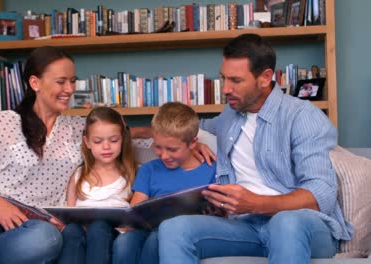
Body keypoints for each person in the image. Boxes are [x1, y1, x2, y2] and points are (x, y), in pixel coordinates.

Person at [0, 46, 147, 264]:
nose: (70, 89)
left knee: (46, 241)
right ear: (35, 83)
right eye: (61, 81)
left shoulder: (76, 128)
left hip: (36, 224)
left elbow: (115, 132)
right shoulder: (2, 123)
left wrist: (160, 133)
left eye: (73, 81)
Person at [158, 33, 353, 264]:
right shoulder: (229, 115)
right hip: (245, 226)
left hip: (303, 226)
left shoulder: (302, 116)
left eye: (236, 80)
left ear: (265, 77)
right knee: (174, 228)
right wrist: (192, 141)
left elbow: (321, 194)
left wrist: (256, 203)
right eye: (223, 79)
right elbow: (194, 128)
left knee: (285, 222)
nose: (226, 89)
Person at [113, 102, 217, 264]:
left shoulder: (211, 170)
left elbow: (218, 214)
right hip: (147, 228)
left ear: (193, 143)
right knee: (124, 242)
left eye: (172, 149)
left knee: (156, 240)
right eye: (158, 147)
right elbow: (135, 212)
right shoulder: (149, 170)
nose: (164, 156)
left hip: (181, 231)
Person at [60, 106, 138, 264]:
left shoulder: (132, 174)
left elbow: (138, 217)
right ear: (87, 142)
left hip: (112, 235)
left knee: (98, 227)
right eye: (98, 141)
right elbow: (69, 213)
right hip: (82, 234)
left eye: (114, 140)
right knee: (72, 230)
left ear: (123, 139)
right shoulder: (78, 175)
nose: (106, 146)